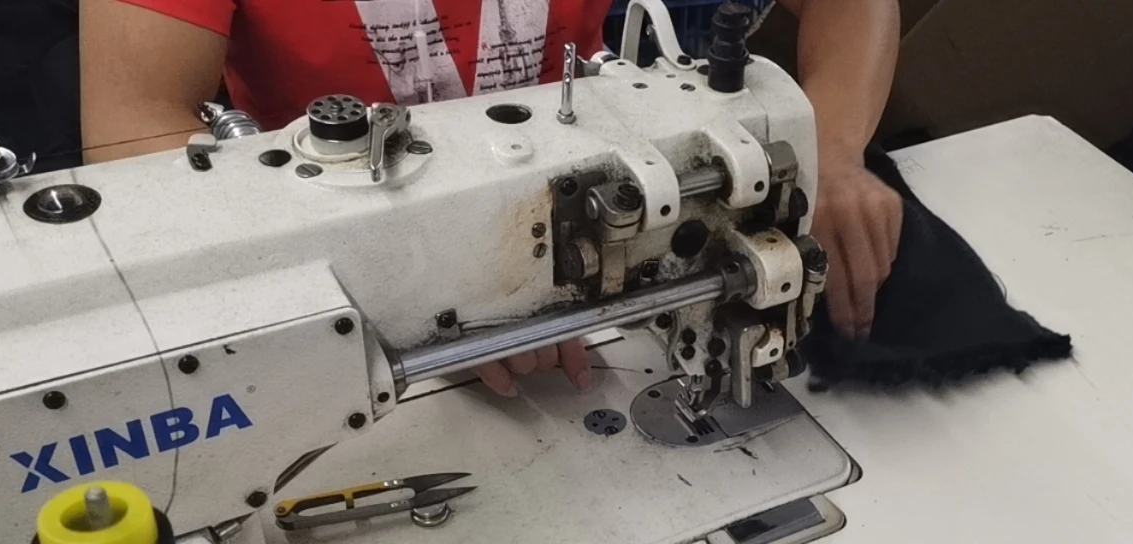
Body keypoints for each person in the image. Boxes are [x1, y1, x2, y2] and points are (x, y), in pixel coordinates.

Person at [80, 0, 902, 396]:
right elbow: (129, 129)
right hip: (347, 297)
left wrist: (828, 152)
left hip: (593, 232)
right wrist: (434, 279)